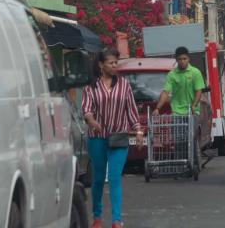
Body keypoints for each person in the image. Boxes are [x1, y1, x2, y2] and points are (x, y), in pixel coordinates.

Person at [81, 49, 142, 228]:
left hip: (119, 137)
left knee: (115, 178)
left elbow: (131, 111)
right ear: (101, 65)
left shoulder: (124, 85)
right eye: (111, 63)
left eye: (116, 62)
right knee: (98, 179)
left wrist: (138, 132)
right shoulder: (90, 87)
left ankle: (116, 220)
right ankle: (97, 217)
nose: (115, 66)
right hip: (97, 138)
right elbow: (86, 110)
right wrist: (92, 121)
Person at [154, 46, 206, 116]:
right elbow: (165, 92)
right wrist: (158, 108)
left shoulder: (196, 73)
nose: (182, 61)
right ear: (176, 60)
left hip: (192, 112)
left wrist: (194, 105)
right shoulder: (171, 75)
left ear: (188, 59)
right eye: (180, 59)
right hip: (177, 113)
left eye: (184, 59)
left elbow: (199, 91)